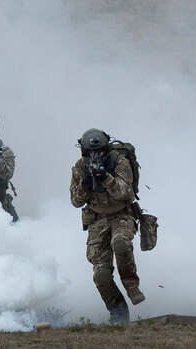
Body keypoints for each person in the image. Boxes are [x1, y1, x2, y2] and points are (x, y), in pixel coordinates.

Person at [70, 128, 146, 324]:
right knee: (101, 275)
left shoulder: (119, 162)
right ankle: (119, 314)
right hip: (97, 219)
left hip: (122, 214)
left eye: (101, 152)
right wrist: (85, 183)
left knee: (120, 242)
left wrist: (106, 178)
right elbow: (76, 201)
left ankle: (132, 286)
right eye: (92, 152)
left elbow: (126, 194)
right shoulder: (80, 167)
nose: (97, 156)